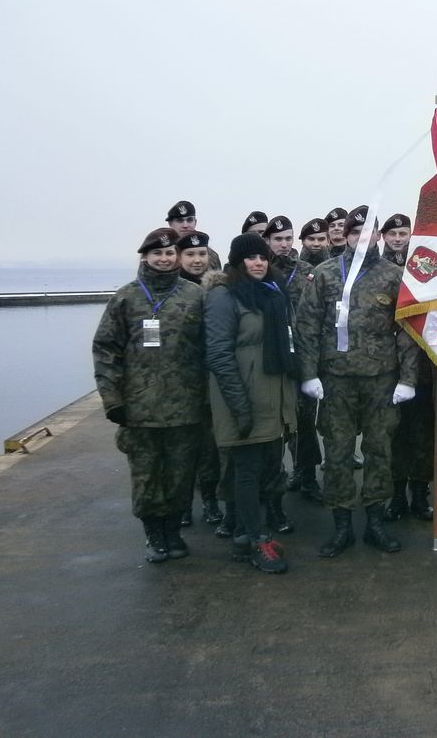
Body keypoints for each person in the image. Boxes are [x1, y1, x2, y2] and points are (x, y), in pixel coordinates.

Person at [297, 205, 419, 557]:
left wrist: (408, 378)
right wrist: (308, 374)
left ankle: (376, 522)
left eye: (368, 234)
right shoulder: (324, 275)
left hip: (381, 380)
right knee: (337, 453)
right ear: (346, 236)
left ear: (378, 237)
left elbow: (408, 331)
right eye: (355, 233)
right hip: (336, 382)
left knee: (379, 451)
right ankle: (342, 526)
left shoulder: (393, 276)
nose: (361, 240)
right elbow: (307, 327)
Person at [93, 228, 207, 563]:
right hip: (139, 410)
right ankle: (153, 535)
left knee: (181, 475)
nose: (165, 258)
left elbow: (209, 348)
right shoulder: (126, 297)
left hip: (185, 406)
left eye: (170, 253)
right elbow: (105, 349)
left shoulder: (194, 295)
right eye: (157, 254)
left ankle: (173, 532)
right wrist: (113, 400)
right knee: (146, 476)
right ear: (145, 257)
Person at [204, 232, 298, 574]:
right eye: (251, 258)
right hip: (243, 397)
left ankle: (247, 537)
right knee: (246, 471)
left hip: (273, 395)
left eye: (263, 257)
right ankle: (256, 539)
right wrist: (239, 405)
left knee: (266, 468)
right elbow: (217, 354)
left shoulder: (271, 290)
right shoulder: (223, 295)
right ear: (236, 261)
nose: (259, 263)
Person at [265, 216, 322, 512]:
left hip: (303, 357)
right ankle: (274, 479)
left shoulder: (308, 272)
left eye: (288, 238)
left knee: (305, 422)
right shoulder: (260, 272)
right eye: (278, 239)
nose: (284, 244)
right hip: (272, 360)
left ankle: (307, 474)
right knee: (275, 423)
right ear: (268, 242)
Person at [175, 230, 224, 527]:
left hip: (208, 380)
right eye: (190, 254)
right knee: (181, 450)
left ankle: (209, 502)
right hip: (175, 384)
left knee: (209, 447)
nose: (197, 260)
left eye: (202, 254)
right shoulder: (165, 293)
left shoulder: (215, 292)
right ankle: (181, 507)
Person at [166, 200, 221, 270]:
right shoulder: (163, 254)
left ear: (195, 222)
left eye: (189, 220)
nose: (185, 225)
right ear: (170, 224)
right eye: (180, 220)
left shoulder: (211, 255)